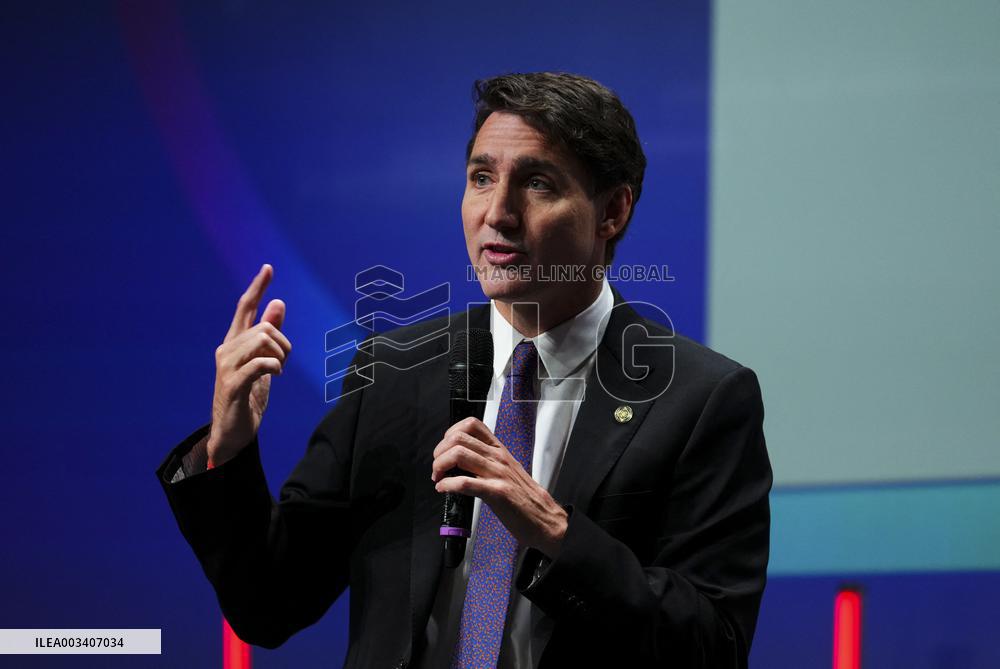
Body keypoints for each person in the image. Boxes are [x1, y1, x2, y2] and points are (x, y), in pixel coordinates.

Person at [158, 72, 771, 669]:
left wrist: (555, 534)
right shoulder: (393, 373)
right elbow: (268, 605)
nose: (497, 213)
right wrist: (229, 447)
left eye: (536, 184)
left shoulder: (701, 399)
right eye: (481, 178)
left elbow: (712, 646)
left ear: (611, 211)